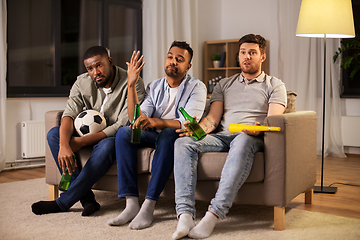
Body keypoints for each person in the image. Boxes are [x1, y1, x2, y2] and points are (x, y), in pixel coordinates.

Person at [172, 34, 287, 239]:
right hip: (223, 137)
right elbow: (213, 121)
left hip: (251, 137)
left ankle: (214, 214)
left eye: (252, 52)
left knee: (242, 140)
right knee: (183, 142)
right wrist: (196, 129)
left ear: (263, 57)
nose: (247, 57)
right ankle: (185, 214)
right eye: (243, 52)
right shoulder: (224, 84)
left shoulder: (275, 85)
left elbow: (273, 121)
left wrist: (257, 130)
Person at [31, 46, 145, 216]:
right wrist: (64, 145)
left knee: (108, 144)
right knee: (54, 134)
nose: (95, 72)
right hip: (84, 134)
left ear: (110, 61)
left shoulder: (132, 82)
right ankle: (87, 200)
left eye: (99, 65)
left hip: (111, 137)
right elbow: (69, 113)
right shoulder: (82, 82)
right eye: (90, 68)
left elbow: (122, 125)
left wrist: (80, 142)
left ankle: (64, 202)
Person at [107, 41, 207, 230]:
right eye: (170, 57)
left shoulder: (197, 87)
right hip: (154, 136)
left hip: (177, 137)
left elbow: (189, 123)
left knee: (169, 133)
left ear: (188, 66)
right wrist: (131, 85)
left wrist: (156, 122)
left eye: (180, 59)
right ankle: (131, 203)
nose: (173, 61)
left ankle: (149, 205)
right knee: (124, 132)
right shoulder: (155, 86)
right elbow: (135, 118)